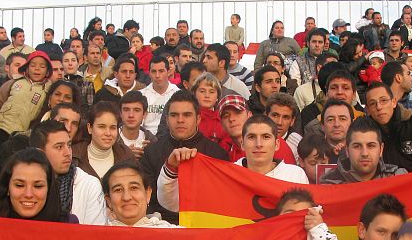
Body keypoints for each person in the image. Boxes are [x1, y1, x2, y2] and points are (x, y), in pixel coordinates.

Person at [157, 115, 308, 213]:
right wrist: (171, 168)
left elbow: (307, 216)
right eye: (251, 137)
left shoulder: (295, 175)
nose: (259, 144)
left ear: (276, 144)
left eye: (266, 137)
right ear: (242, 144)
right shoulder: (225, 176)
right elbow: (173, 203)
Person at [139, 90, 229, 223]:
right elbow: (147, 200)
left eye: (187, 115)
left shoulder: (217, 154)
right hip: (162, 226)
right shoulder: (151, 153)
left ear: (198, 119)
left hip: (204, 226)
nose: (180, 120)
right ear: (167, 119)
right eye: (174, 115)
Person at [29, 119, 105, 225]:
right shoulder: (25, 185)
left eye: (69, 145)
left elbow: (94, 234)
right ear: (40, 153)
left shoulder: (89, 184)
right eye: (59, 147)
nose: (67, 153)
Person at [0, 50, 53, 147]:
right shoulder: (15, 82)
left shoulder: (48, 89)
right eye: (33, 65)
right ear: (27, 68)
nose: (37, 69)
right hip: (2, 126)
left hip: (22, 132)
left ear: (47, 71)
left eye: (42, 66)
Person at [319, 117, 407, 184]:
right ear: (347, 150)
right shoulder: (329, 183)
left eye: (371, 146)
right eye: (357, 146)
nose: (364, 153)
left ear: (381, 149)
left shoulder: (398, 178)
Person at [101, 160, 176, 227]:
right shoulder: (95, 238)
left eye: (134, 188)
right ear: (108, 200)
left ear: (148, 194)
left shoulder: (175, 235)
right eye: (118, 190)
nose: (126, 197)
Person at [73, 102, 133, 181]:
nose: (108, 133)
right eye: (102, 127)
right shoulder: (73, 156)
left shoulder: (126, 155)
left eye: (112, 127)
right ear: (89, 128)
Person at [140, 56, 179, 135]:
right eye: (154, 71)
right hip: (146, 138)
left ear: (168, 72)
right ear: (149, 73)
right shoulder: (141, 95)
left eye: (161, 71)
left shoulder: (177, 94)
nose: (157, 75)